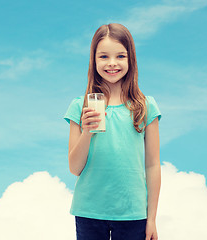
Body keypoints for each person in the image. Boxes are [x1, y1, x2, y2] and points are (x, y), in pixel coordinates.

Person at [64, 23, 162, 240]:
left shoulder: (146, 107)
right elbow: (74, 167)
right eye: (103, 56)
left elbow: (153, 165)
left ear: (131, 59)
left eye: (120, 56)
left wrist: (152, 218)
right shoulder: (80, 107)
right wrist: (87, 131)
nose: (112, 63)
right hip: (89, 211)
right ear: (94, 60)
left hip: (133, 213)